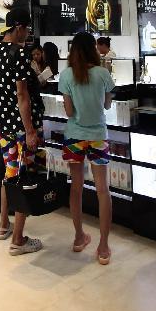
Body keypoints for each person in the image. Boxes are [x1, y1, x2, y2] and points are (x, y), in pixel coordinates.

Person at [0, 7, 45, 255]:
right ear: (19, 28)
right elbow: (22, 95)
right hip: (21, 128)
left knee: (10, 174)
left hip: (4, 125)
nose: (28, 33)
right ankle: (18, 240)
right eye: (27, 29)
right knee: (24, 178)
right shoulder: (19, 54)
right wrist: (30, 130)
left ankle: (3, 225)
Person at [59, 33, 114, 265]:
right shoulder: (103, 74)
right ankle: (103, 246)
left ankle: (79, 237)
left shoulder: (67, 75)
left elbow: (70, 113)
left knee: (76, 189)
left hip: (74, 136)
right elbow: (107, 105)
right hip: (98, 137)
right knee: (103, 191)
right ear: (93, 48)